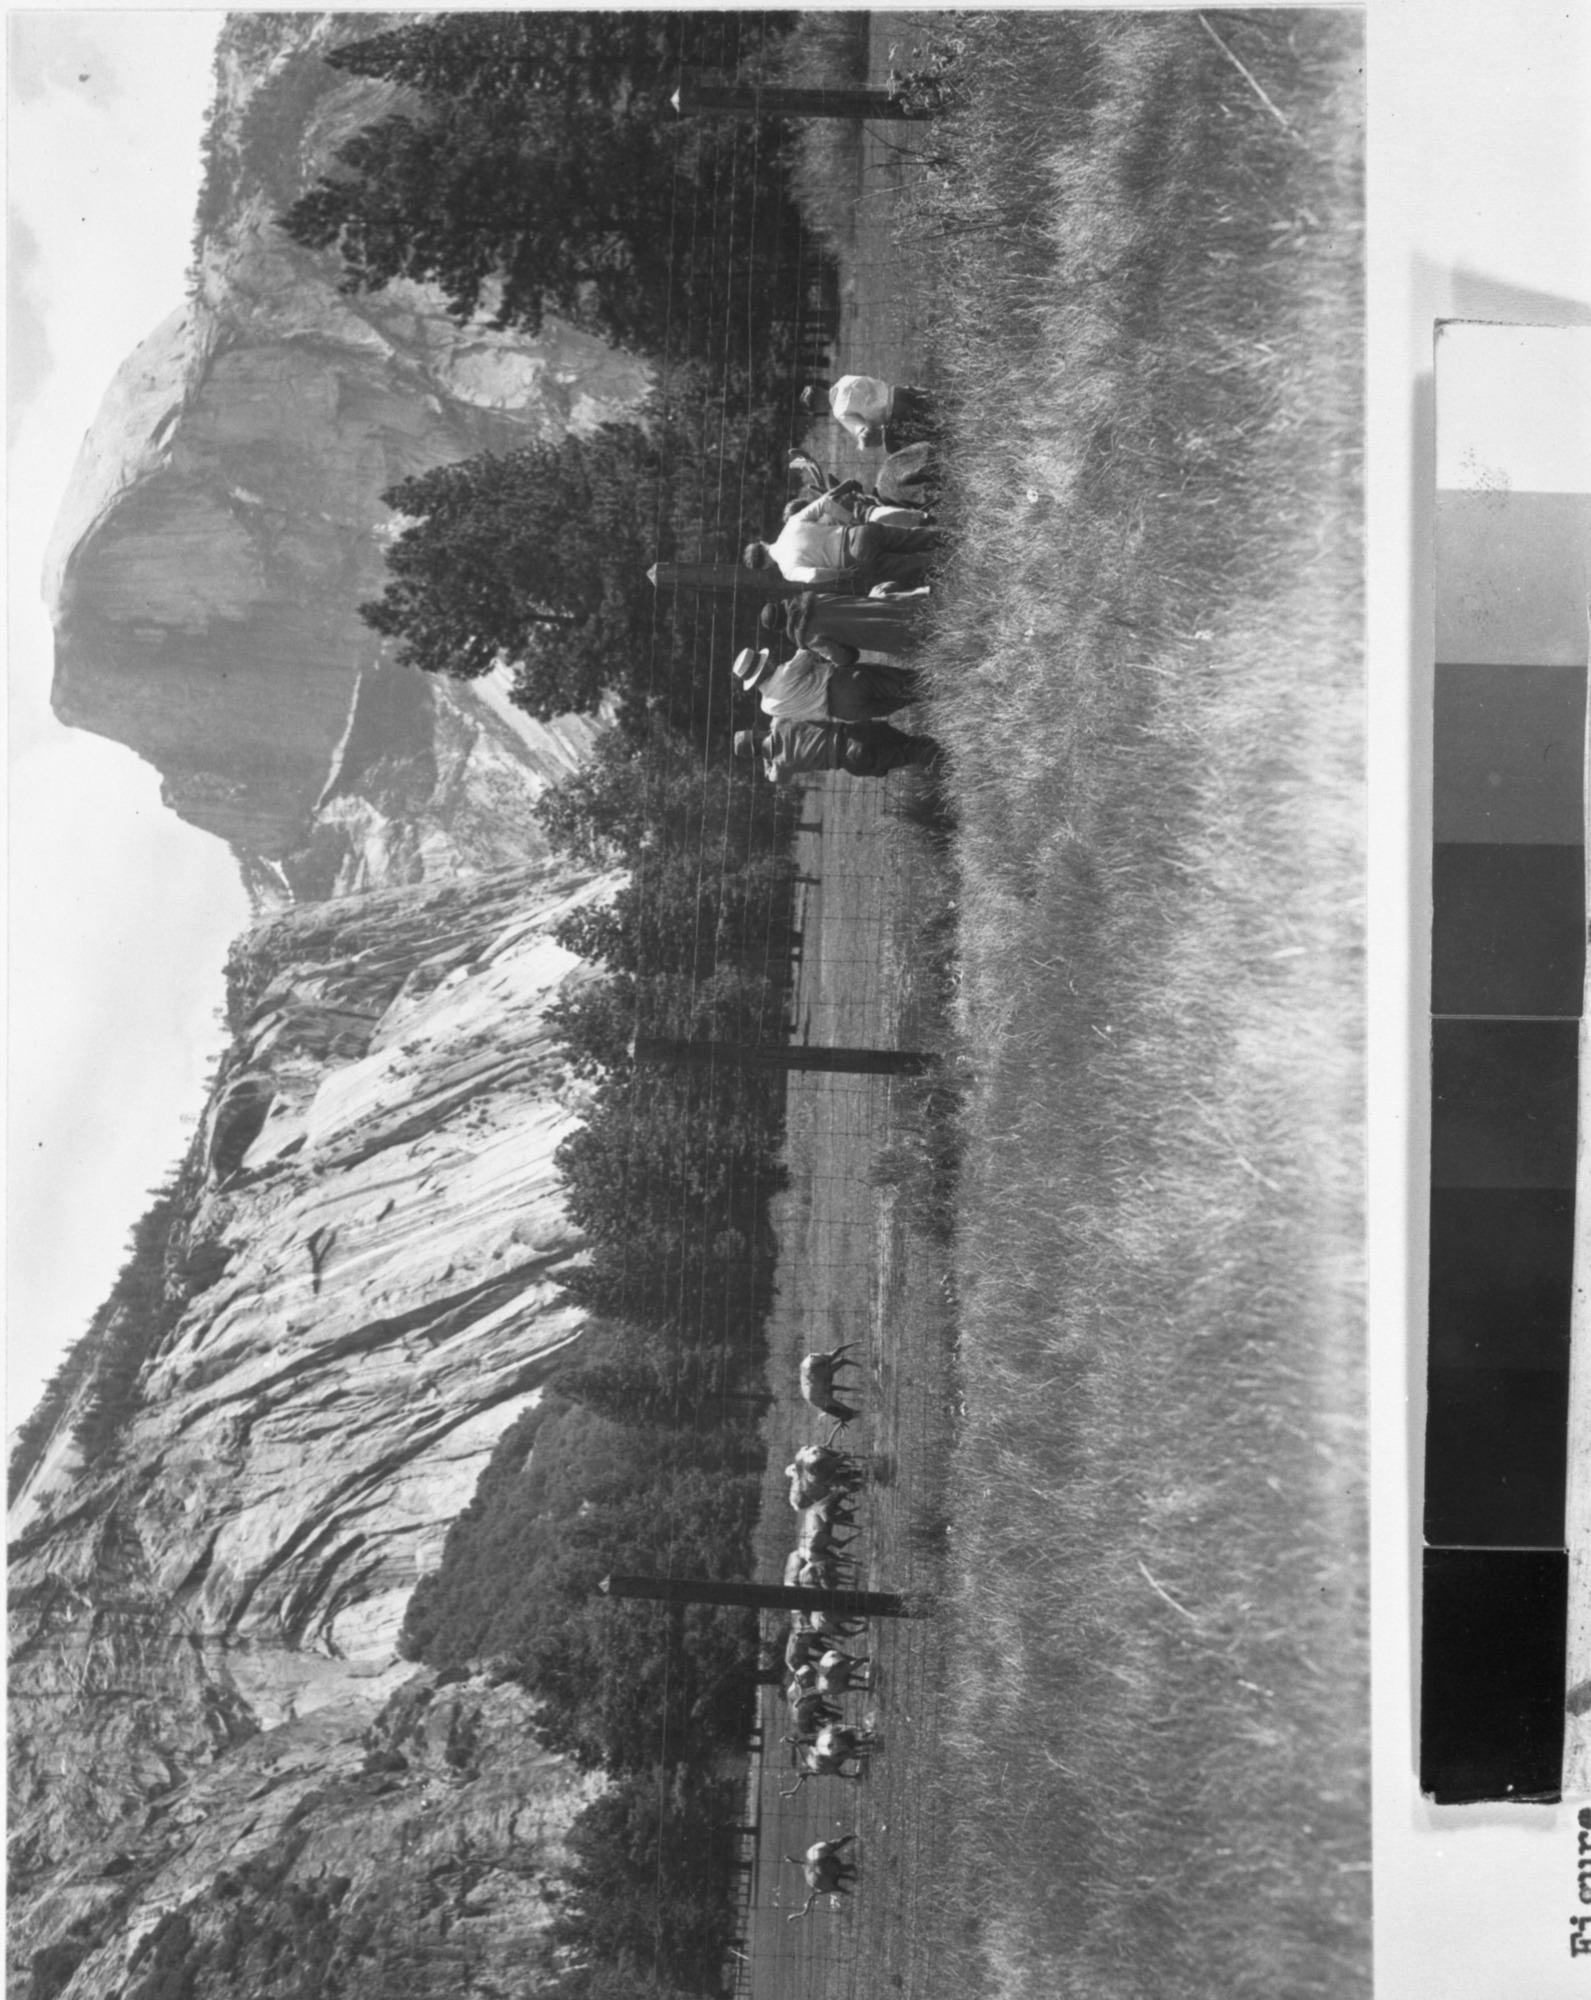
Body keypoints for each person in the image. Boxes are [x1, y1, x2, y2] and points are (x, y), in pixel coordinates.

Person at [743, 494, 941, 592]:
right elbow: (824, 502)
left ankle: (949, 565)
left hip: (854, 560)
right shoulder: (792, 524)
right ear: (762, 542)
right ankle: (952, 537)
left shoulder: (787, 569)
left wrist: (840, 574)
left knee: (912, 565)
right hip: (859, 532)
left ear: (765, 566)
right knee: (915, 537)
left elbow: (812, 575)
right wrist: (851, 520)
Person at [731, 644, 920, 724]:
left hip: (842, 712)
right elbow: (807, 651)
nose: (771, 660)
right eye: (766, 661)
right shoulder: (784, 673)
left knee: (898, 701)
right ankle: (942, 685)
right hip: (844, 682)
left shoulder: (767, 707)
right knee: (904, 683)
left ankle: (938, 695)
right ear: (763, 668)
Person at [732, 717, 941, 784]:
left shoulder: (778, 766)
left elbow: (773, 778)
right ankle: (947, 747)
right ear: (757, 734)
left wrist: (766, 759)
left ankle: (949, 759)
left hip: (849, 760)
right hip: (852, 732)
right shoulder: (780, 722)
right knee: (909, 742)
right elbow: (774, 719)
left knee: (909, 755)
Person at [761, 588, 931, 662]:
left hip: (875, 634)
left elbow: (839, 656)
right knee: (912, 613)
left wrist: (848, 658)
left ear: (782, 628)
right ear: (782, 605)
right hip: (871, 606)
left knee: (917, 638)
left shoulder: (806, 635)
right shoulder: (812, 598)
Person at [800, 376, 938, 449]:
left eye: (816, 410)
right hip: (897, 392)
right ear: (819, 389)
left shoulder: (839, 411)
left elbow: (864, 430)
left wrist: (862, 443)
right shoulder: (844, 379)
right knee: (939, 401)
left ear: (818, 405)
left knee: (935, 429)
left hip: (894, 414)